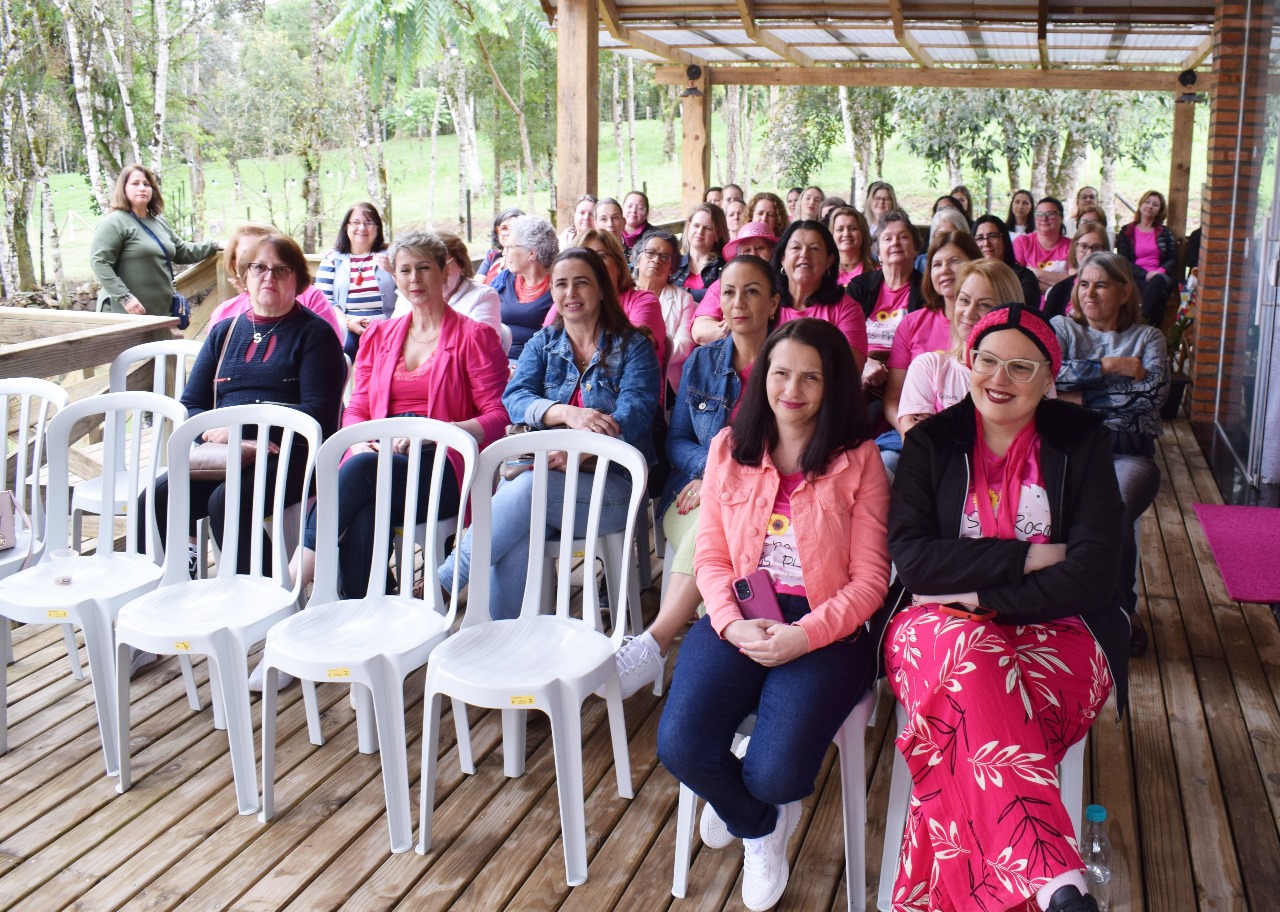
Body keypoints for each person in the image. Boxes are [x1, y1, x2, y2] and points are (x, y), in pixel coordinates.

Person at [885, 303, 1128, 912]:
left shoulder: (1082, 441)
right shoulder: (933, 442)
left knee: (964, 730)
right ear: (969, 361)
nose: (1000, 378)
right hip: (936, 632)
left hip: (1062, 629)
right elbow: (914, 563)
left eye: (1022, 367)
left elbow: (1094, 572)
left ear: (1051, 377)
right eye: (988, 360)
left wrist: (975, 594)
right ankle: (1056, 884)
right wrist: (1029, 555)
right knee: (970, 659)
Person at [656, 317, 890, 912]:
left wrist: (803, 636)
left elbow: (870, 583)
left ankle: (754, 798)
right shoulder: (728, 449)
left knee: (777, 774)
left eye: (811, 377)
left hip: (827, 629)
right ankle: (759, 826)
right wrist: (730, 621)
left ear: (833, 385)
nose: (793, 389)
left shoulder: (859, 462)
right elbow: (709, 554)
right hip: (741, 610)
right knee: (681, 745)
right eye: (781, 373)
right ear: (762, 378)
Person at [436, 247, 660, 620]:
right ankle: (506, 642)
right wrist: (566, 413)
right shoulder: (544, 343)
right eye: (561, 284)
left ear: (602, 289)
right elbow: (515, 398)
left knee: (527, 487)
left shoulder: (633, 346)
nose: (570, 293)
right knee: (522, 522)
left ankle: (447, 579)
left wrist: (578, 455)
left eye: (581, 283)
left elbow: (632, 415)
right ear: (552, 293)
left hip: (611, 486)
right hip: (541, 482)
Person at [290, 230, 509, 599]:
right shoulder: (379, 335)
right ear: (395, 277)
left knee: (361, 475)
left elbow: (499, 416)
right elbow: (357, 408)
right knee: (364, 498)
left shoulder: (473, 337)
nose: (414, 279)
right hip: (380, 461)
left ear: (446, 272)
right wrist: (359, 444)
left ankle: (293, 584)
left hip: (443, 466)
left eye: (424, 268)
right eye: (405, 270)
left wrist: (440, 431)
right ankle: (364, 609)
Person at [613, 254, 779, 697]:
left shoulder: (790, 365)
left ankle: (661, 643)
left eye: (752, 291)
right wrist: (710, 472)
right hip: (689, 496)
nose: (737, 302)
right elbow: (677, 440)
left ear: (774, 302)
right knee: (713, 525)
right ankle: (722, 676)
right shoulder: (702, 363)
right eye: (728, 292)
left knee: (721, 529)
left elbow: (795, 450)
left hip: (763, 503)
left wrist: (724, 481)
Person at [149, 234, 346, 576]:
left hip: (290, 454)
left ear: (298, 280)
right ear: (245, 277)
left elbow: (319, 412)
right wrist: (220, 435)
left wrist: (244, 428)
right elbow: (191, 404)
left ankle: (268, 596)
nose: (269, 277)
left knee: (226, 501)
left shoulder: (315, 335)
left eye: (281, 270)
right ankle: (174, 588)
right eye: (259, 268)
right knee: (157, 497)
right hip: (230, 453)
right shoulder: (224, 332)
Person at [1053, 251, 1168, 656]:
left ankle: (1119, 609)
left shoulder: (1149, 338)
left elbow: (1151, 397)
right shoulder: (1062, 328)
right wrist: (1109, 365)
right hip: (1066, 451)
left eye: (1100, 284)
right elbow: (1046, 379)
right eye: (1083, 284)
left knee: (1112, 509)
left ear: (1123, 292)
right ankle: (1081, 607)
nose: (1089, 293)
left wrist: (1078, 396)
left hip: (1127, 454)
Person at [882, 230, 982, 459]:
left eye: (954, 261)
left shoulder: (988, 322)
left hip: (972, 437)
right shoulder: (912, 323)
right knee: (885, 464)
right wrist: (910, 434)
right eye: (936, 264)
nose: (944, 270)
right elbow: (892, 399)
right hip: (910, 430)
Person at [895, 258, 1021, 432]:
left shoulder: (1026, 373)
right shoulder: (929, 366)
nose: (968, 313)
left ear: (1007, 312)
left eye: (984, 304)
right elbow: (917, 447)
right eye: (964, 300)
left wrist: (939, 427)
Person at [91, 164, 221, 316]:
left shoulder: (159, 223)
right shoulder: (114, 222)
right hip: (124, 313)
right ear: (123, 189)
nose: (142, 188)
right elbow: (99, 261)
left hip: (160, 313)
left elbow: (182, 251)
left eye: (146, 184)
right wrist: (124, 297)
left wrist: (215, 246)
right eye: (135, 183)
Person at [558, 229, 667, 376]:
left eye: (600, 256)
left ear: (618, 264)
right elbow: (548, 348)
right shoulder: (569, 301)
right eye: (584, 257)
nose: (591, 264)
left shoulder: (643, 301)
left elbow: (631, 354)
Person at [207, 223, 343, 338]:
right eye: (248, 256)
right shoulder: (224, 313)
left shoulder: (311, 299)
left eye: (267, 251)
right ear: (235, 263)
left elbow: (332, 356)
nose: (267, 275)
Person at [771, 220, 869, 370]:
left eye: (815, 248)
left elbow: (848, 372)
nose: (804, 254)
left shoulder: (847, 310)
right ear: (782, 258)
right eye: (796, 247)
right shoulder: (767, 303)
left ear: (829, 261)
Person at [847, 210, 925, 393]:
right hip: (860, 368)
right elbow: (843, 338)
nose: (895, 242)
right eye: (887, 238)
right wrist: (864, 363)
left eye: (903, 237)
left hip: (906, 375)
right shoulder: (859, 287)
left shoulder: (927, 290)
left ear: (915, 249)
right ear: (878, 253)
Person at [316, 203, 398, 360]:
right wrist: (348, 322)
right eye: (356, 222)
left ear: (378, 228)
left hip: (387, 327)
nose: (362, 228)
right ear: (346, 226)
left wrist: (393, 270)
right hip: (347, 326)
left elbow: (407, 289)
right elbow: (325, 300)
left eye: (369, 223)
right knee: (339, 359)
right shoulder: (333, 258)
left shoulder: (391, 256)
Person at [690, 222, 781, 345]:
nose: (753, 254)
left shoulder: (786, 283)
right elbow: (700, 332)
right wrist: (737, 327)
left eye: (760, 248)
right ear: (739, 256)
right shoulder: (723, 285)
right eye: (747, 250)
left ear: (773, 252)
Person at [633, 229, 697, 390]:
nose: (656, 260)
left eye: (665, 257)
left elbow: (685, 345)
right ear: (637, 260)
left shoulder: (683, 300)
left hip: (664, 378)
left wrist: (645, 352)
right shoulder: (622, 293)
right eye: (650, 253)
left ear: (672, 268)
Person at [496, 215, 558, 361]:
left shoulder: (558, 286)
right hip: (497, 358)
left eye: (509, 247)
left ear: (531, 253)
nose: (504, 253)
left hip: (535, 363)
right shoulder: (503, 279)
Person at [1116, 190, 1179, 326]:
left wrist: (1158, 272)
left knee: (1158, 282)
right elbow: (1123, 260)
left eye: (1155, 204)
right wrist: (1145, 274)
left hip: (1161, 277)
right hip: (1136, 277)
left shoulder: (1164, 232)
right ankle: (1152, 329)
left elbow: (1172, 258)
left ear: (1159, 210)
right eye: (1147, 202)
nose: (1150, 206)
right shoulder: (1127, 231)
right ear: (1140, 205)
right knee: (1159, 294)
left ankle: (1140, 322)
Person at [437, 232, 508, 347]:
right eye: (427, 267)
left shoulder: (484, 296)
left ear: (462, 265)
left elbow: (480, 347)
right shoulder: (412, 295)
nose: (438, 273)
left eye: (444, 265)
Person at [971, 214, 1042, 310]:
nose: (986, 243)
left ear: (1004, 240)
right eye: (980, 238)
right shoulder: (969, 276)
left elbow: (1026, 313)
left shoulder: (1024, 277)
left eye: (992, 236)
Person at [1043, 225, 1111, 320]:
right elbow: (1044, 329)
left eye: (1096, 247)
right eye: (1083, 246)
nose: (1089, 253)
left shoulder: (1114, 288)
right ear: (1075, 250)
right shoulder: (1059, 290)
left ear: (1105, 251)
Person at [1013, 196, 1071, 297]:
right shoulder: (1022, 242)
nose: (1044, 218)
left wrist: (1034, 272)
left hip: (1063, 307)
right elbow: (1018, 281)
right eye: (1039, 214)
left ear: (1061, 218)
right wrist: (1054, 288)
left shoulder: (1071, 246)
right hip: (1030, 305)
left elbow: (1074, 282)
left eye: (1051, 214)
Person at [673, 203, 728, 303]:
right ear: (689, 227)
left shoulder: (725, 267)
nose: (700, 231)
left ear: (718, 234)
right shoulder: (673, 264)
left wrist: (678, 293)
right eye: (696, 225)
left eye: (708, 228)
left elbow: (718, 297)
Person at [830, 206, 874, 285]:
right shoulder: (824, 272)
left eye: (852, 229)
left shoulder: (876, 272)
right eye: (840, 229)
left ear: (863, 233)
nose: (846, 234)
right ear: (832, 235)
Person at [479, 207, 524, 280]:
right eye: (504, 228)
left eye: (514, 228)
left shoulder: (528, 263)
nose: (508, 233)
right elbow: (477, 286)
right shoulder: (492, 257)